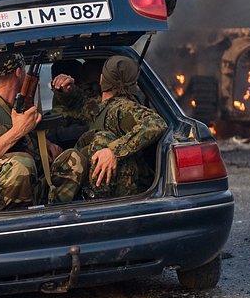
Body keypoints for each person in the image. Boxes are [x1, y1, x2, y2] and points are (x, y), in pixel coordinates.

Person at [0, 53, 85, 211]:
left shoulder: (17, 108)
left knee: (74, 158)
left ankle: (52, 215)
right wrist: (17, 130)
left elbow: (25, 141)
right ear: (18, 72)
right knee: (20, 163)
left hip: (29, 183)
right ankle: (14, 222)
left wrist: (46, 145)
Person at [51, 55, 168, 198]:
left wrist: (113, 151)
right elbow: (81, 103)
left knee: (102, 138)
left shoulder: (122, 108)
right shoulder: (102, 106)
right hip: (100, 189)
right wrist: (68, 90)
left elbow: (156, 123)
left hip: (122, 193)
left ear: (101, 79)